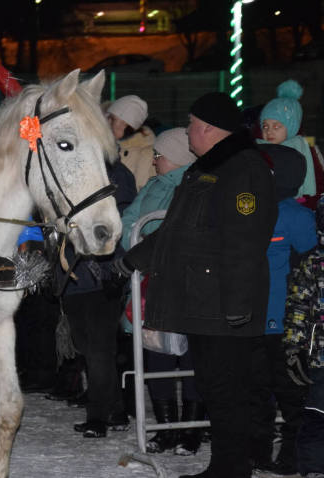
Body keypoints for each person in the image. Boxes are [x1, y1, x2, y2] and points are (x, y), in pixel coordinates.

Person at [113, 92, 278, 478]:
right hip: (203, 301)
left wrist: (239, 305)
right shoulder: (207, 168)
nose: (187, 130)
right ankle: (224, 466)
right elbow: (176, 229)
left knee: (227, 390)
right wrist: (135, 259)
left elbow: (245, 241)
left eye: (190, 123)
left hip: (225, 304)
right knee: (212, 387)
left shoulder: (245, 169)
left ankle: (232, 469)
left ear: (207, 126)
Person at [120, 128, 204, 455]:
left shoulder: (196, 187)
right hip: (149, 283)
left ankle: (192, 429)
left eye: (160, 155)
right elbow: (130, 220)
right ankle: (165, 428)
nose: (154, 161)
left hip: (187, 284)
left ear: (181, 159)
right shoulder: (154, 186)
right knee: (155, 353)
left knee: (191, 356)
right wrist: (128, 249)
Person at [250, 143, 315, 476]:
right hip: (253, 321)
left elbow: (311, 267)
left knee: (292, 396)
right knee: (257, 392)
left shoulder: (295, 215)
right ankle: (258, 453)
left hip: (287, 325)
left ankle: (292, 457)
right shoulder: (250, 209)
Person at [64, 159, 136, 438]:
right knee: (87, 347)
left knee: (99, 351)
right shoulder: (69, 171)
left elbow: (119, 221)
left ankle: (98, 416)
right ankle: (116, 410)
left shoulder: (116, 174)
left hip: (101, 278)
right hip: (75, 276)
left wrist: (111, 272)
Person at [283, 195, 324, 478]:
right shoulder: (314, 262)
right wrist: (293, 347)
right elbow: (298, 305)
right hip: (321, 357)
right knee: (318, 414)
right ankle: (312, 466)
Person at [257, 80, 317, 202]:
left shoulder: (302, 148)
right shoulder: (258, 151)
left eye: (276, 126)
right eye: (265, 126)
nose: (268, 131)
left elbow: (319, 178)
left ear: (291, 126)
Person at [106, 95, 156, 191]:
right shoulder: (106, 149)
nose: (107, 122)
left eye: (112, 119)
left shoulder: (147, 155)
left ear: (128, 123)